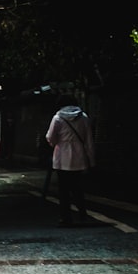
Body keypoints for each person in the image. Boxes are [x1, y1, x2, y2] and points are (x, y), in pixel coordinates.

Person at [45, 94, 95, 226]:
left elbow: (50, 137)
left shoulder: (57, 118)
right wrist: (91, 160)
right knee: (78, 187)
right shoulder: (84, 118)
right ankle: (82, 213)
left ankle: (65, 217)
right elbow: (89, 140)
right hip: (80, 157)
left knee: (63, 189)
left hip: (62, 158)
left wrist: (57, 143)